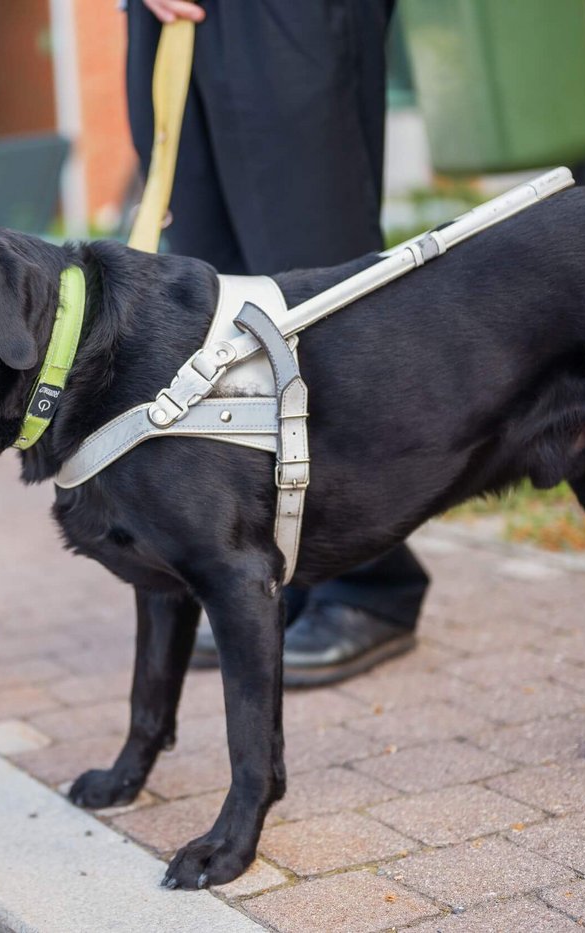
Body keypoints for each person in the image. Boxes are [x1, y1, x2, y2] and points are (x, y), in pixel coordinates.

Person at [126, 0, 426, 685]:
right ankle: (276, 570)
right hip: (162, 19)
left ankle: (371, 584)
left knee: (315, 307)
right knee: (215, 311)